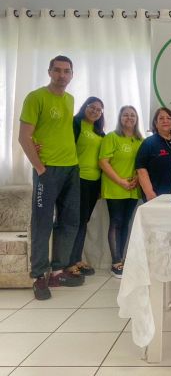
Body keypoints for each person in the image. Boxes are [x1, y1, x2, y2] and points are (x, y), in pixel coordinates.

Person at [18, 55, 84, 300]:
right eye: (57, 70)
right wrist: (40, 169)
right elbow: (23, 137)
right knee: (42, 223)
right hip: (47, 170)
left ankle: (57, 271)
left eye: (67, 71)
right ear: (49, 72)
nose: (62, 75)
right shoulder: (35, 97)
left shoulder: (70, 99)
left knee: (70, 222)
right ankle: (38, 276)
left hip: (71, 168)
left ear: (72, 75)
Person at [99, 106, 143, 278]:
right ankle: (115, 262)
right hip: (115, 187)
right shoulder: (112, 137)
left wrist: (136, 179)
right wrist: (120, 181)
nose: (129, 118)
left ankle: (122, 259)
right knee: (116, 221)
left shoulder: (140, 140)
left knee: (126, 222)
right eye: (125, 115)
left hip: (133, 188)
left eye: (132, 115)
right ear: (120, 118)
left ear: (137, 119)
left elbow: (143, 164)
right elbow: (103, 162)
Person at [66, 97, 105, 276]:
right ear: (85, 107)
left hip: (94, 182)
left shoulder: (100, 133)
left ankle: (77, 259)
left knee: (84, 221)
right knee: (74, 221)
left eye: (99, 110)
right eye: (92, 107)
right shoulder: (75, 124)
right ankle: (68, 262)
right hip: (77, 179)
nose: (95, 111)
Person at [136, 107, 171, 200]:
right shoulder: (148, 143)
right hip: (156, 195)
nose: (165, 121)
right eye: (161, 118)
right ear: (156, 123)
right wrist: (149, 193)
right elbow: (141, 170)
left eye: (168, 118)